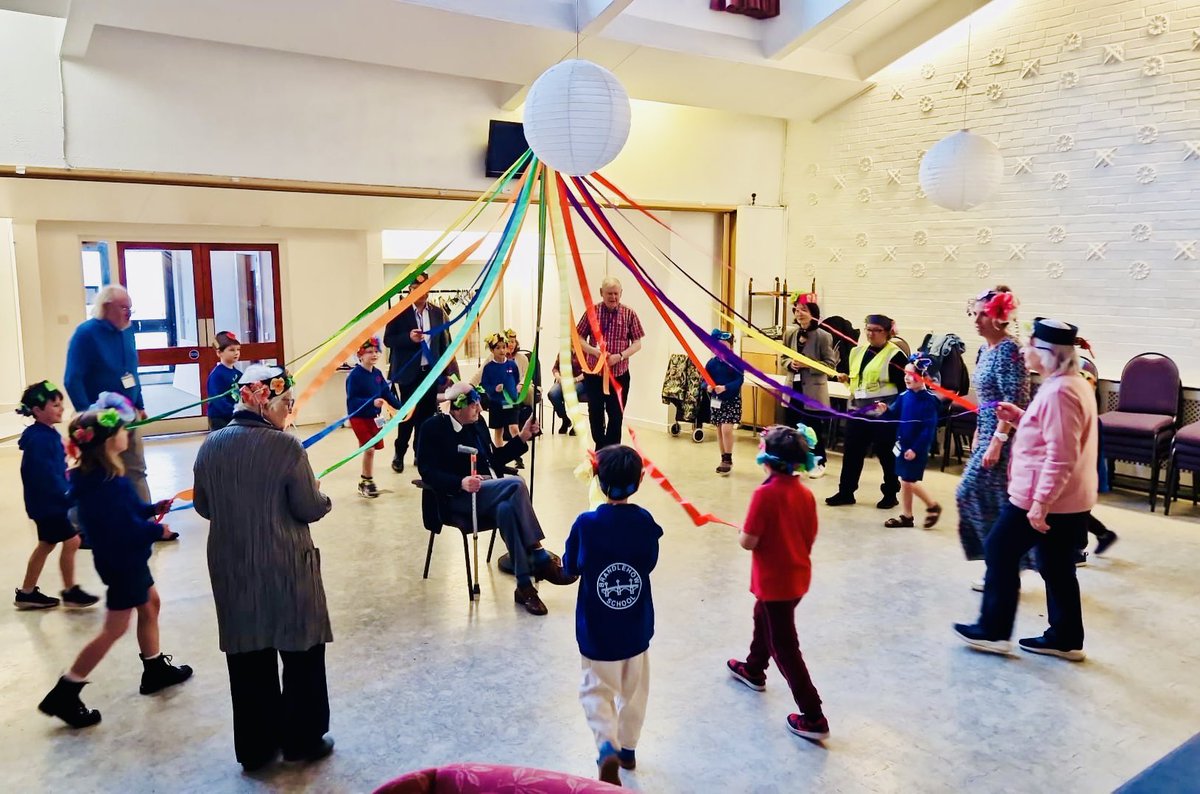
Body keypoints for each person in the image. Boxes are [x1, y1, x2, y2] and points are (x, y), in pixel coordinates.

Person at [193, 364, 335, 770]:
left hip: (231, 564)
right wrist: (322, 496)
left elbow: (204, 506)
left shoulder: (210, 445)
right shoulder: (287, 447)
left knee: (247, 654)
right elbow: (307, 507)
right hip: (285, 562)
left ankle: (256, 748)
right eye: (288, 404)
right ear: (267, 403)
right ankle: (302, 740)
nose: (290, 413)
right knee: (301, 647)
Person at [37, 406, 191, 729]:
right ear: (107, 441)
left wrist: (152, 508)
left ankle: (154, 668)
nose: (127, 434)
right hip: (122, 562)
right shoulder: (102, 486)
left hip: (126, 559)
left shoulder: (106, 477)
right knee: (114, 630)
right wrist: (155, 529)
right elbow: (122, 530)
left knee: (151, 603)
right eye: (121, 430)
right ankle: (66, 690)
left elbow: (130, 512)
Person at [954, 318, 1098, 662]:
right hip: (1067, 499)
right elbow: (1051, 433)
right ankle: (1065, 638)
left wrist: (1040, 503)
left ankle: (993, 631)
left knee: (999, 549)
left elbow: (1062, 455)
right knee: (1056, 565)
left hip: (1045, 498)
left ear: (1047, 353)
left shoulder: (1061, 391)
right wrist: (1021, 417)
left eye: (1030, 346)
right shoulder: (1067, 384)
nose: (1024, 350)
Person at [418, 382, 575, 616]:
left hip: (491, 492)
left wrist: (521, 438)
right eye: (474, 405)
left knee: (506, 510)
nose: (480, 409)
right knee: (517, 483)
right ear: (457, 408)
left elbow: (494, 459)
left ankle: (524, 587)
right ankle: (540, 556)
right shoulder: (433, 428)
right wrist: (459, 482)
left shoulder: (477, 424)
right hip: (458, 498)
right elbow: (427, 470)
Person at [563, 445, 662, 784]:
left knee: (596, 690)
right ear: (641, 481)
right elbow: (648, 562)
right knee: (635, 693)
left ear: (596, 478)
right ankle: (629, 750)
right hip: (635, 630)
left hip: (597, 632)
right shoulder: (645, 521)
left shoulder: (586, 524)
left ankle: (607, 746)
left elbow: (570, 566)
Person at [726, 424, 829, 742]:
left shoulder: (765, 494)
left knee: (784, 645)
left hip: (775, 584)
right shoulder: (805, 493)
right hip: (797, 577)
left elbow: (748, 541)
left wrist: (744, 531)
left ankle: (813, 715)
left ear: (767, 459)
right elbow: (809, 535)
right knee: (762, 618)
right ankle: (754, 669)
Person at [955, 288, 1031, 590]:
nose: (977, 319)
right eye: (975, 312)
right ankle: (1002, 564)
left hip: (1007, 435)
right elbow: (986, 399)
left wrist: (999, 440)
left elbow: (1015, 398)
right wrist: (979, 430)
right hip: (986, 429)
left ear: (999, 317)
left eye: (984, 313)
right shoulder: (984, 349)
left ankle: (1005, 565)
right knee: (994, 501)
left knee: (973, 493)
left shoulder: (1010, 350)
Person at [14, 381, 99, 610]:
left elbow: (55, 468)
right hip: (49, 504)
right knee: (72, 541)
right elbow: (44, 475)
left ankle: (27, 592)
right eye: (54, 405)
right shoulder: (40, 440)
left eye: (61, 404)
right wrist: (66, 492)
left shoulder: (44, 434)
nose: (61, 408)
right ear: (37, 410)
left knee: (46, 544)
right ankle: (70, 592)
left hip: (45, 503)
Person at [63, 284, 152, 502]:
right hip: (101, 421)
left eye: (130, 307)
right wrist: (88, 416)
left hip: (128, 415)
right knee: (101, 472)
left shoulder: (127, 330)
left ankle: (146, 521)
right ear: (106, 307)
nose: (128, 312)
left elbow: (132, 371)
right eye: (123, 307)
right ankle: (89, 526)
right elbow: (72, 379)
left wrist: (139, 404)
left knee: (136, 468)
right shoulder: (85, 334)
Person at [825, 314, 908, 508]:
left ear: (887, 333)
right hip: (857, 411)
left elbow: (905, 389)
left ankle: (890, 493)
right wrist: (847, 379)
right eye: (868, 329)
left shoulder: (895, 355)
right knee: (852, 453)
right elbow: (860, 381)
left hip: (883, 415)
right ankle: (846, 492)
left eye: (876, 330)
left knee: (886, 455)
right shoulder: (857, 351)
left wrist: (893, 409)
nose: (871, 334)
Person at [384, 272, 450, 473]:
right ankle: (399, 452)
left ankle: (419, 453)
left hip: (430, 372)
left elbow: (444, 344)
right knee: (407, 416)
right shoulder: (399, 312)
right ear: (410, 290)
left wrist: (444, 371)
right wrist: (408, 338)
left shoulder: (438, 313)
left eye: (424, 290)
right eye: (416, 289)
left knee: (426, 416)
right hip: (407, 373)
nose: (421, 293)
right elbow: (388, 340)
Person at [576, 277, 645, 449]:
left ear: (621, 293)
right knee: (595, 414)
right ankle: (601, 449)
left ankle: (612, 452)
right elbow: (578, 337)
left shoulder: (630, 314)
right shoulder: (591, 312)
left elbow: (638, 343)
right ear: (601, 293)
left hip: (620, 375)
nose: (613, 297)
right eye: (609, 293)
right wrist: (594, 352)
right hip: (594, 374)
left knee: (616, 415)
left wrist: (620, 356)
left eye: (616, 293)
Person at [874, 356, 942, 529]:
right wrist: (885, 411)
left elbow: (928, 429)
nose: (907, 377)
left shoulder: (930, 401)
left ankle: (932, 506)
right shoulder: (904, 396)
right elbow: (894, 415)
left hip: (916, 448)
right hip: (902, 446)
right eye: (906, 373)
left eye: (912, 374)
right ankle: (907, 516)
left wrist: (915, 449)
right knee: (905, 480)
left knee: (908, 481)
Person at [779, 294, 837, 478]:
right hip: (793, 389)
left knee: (812, 429)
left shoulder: (823, 336)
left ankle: (819, 462)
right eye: (796, 309)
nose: (799, 313)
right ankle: (795, 462)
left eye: (804, 310)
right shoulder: (790, 334)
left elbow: (830, 365)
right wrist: (791, 364)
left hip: (813, 391)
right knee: (792, 428)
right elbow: (783, 358)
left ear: (813, 313)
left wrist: (807, 364)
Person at [346, 337, 403, 498]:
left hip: (374, 418)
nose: (374, 355)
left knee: (372, 450)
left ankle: (365, 480)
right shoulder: (355, 376)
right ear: (360, 355)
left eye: (376, 351)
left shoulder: (377, 374)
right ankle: (366, 481)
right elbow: (352, 400)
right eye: (369, 352)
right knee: (369, 448)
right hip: (359, 418)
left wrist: (401, 406)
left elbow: (386, 392)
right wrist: (372, 402)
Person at [1077, 351, 1118, 563]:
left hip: (1085, 473)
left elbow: (1091, 454)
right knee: (1076, 514)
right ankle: (1103, 534)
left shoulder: (1092, 420)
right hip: (1079, 474)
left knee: (1076, 512)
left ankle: (1078, 550)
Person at [705, 329, 744, 475]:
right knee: (719, 431)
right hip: (716, 401)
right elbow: (704, 378)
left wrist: (726, 387)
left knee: (727, 429)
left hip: (731, 400)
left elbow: (740, 380)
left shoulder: (736, 362)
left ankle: (728, 458)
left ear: (730, 347)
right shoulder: (711, 363)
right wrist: (707, 386)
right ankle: (723, 458)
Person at [480, 332, 522, 454]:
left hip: (511, 402)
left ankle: (518, 452)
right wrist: (494, 389)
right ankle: (500, 455)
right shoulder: (488, 368)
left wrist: (516, 390)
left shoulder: (512, 364)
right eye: (498, 348)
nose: (502, 350)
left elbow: (516, 379)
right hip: (496, 404)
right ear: (492, 350)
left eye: (504, 347)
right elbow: (485, 385)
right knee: (499, 431)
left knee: (514, 427)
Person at [206, 331, 242, 431]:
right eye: (231, 350)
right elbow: (217, 399)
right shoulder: (216, 375)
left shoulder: (238, 373)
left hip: (234, 415)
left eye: (238, 349)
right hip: (220, 418)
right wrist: (235, 410)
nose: (236, 353)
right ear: (219, 352)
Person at [548, 355, 584, 435]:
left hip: (580, 381)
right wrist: (559, 377)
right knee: (552, 394)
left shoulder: (585, 352)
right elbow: (555, 368)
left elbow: (588, 371)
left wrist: (575, 379)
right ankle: (565, 420)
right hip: (563, 380)